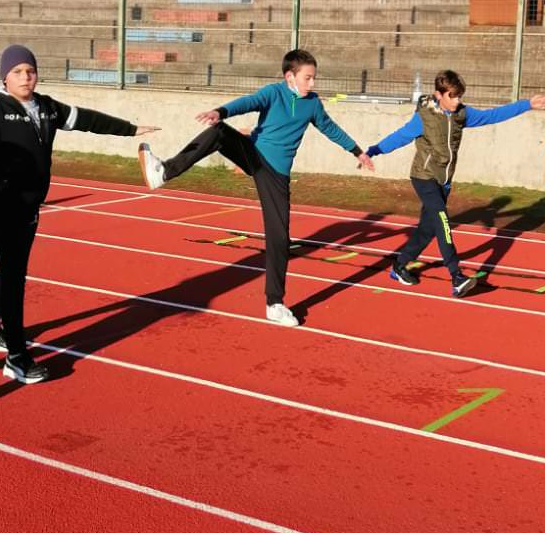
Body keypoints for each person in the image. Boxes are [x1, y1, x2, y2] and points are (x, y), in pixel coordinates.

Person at [0, 44, 157, 384]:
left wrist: (130, 129)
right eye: (18, 72)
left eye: (30, 71)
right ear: (5, 77)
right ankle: (17, 357)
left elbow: (88, 119)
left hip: (29, 202)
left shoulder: (48, 108)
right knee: (14, 275)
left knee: (12, 267)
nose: (25, 77)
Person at [137, 48, 374, 326]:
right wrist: (220, 111)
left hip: (276, 174)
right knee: (220, 131)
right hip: (253, 154)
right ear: (290, 77)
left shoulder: (313, 105)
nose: (312, 84)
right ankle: (164, 171)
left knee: (279, 239)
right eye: (308, 78)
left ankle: (275, 303)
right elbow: (248, 102)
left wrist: (357, 151)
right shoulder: (274, 93)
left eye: (314, 78)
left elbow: (330, 128)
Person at [365, 68, 545, 297]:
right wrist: (374, 151)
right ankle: (456, 276)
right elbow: (401, 136)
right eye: (452, 96)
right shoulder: (424, 117)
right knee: (443, 223)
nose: (457, 101)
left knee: (427, 231)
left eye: (459, 96)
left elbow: (492, 115)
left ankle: (399, 266)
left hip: (443, 181)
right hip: (424, 178)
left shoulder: (461, 114)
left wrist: (527, 105)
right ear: (439, 95)